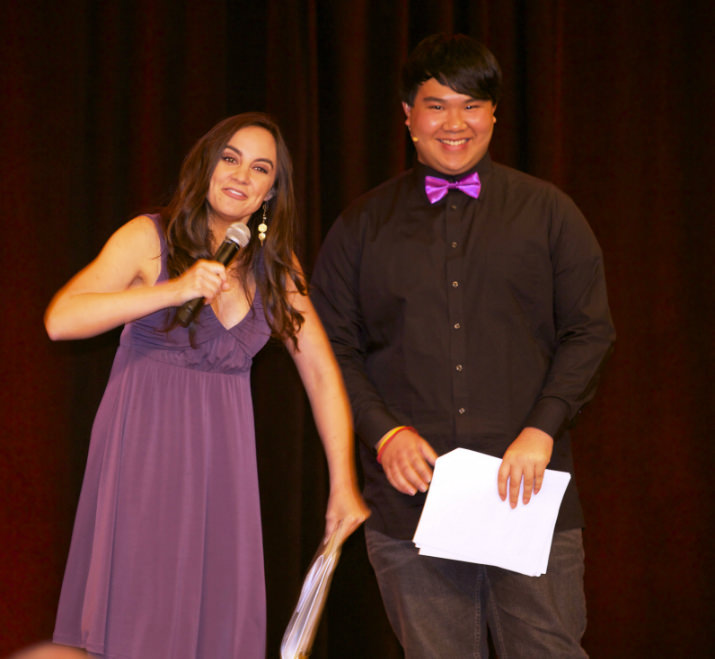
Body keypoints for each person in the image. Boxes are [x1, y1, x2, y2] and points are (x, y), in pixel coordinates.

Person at [310, 34, 615, 658]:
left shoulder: (549, 212)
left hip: (528, 500)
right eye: (436, 105)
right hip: (411, 508)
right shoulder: (360, 225)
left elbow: (590, 330)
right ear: (407, 115)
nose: (455, 123)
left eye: (472, 105)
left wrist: (543, 428)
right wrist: (382, 432)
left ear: (495, 114)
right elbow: (329, 347)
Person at [45, 112, 369, 659]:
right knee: (143, 609)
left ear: (271, 192)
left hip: (223, 462)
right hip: (145, 452)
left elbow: (320, 371)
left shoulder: (276, 269)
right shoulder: (149, 237)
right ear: (207, 164)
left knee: (217, 618)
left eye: (260, 168)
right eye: (231, 158)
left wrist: (344, 483)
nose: (242, 175)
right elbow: (62, 319)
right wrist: (172, 291)